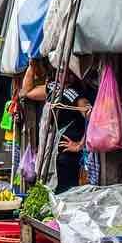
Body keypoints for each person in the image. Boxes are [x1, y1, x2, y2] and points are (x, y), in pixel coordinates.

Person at [22, 61, 92, 193]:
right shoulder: (53, 88)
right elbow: (28, 92)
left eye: (68, 73)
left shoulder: (76, 95)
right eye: (60, 71)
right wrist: (31, 67)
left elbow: (91, 116)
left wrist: (80, 145)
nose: (62, 75)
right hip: (49, 154)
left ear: (73, 76)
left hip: (66, 158)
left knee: (65, 194)